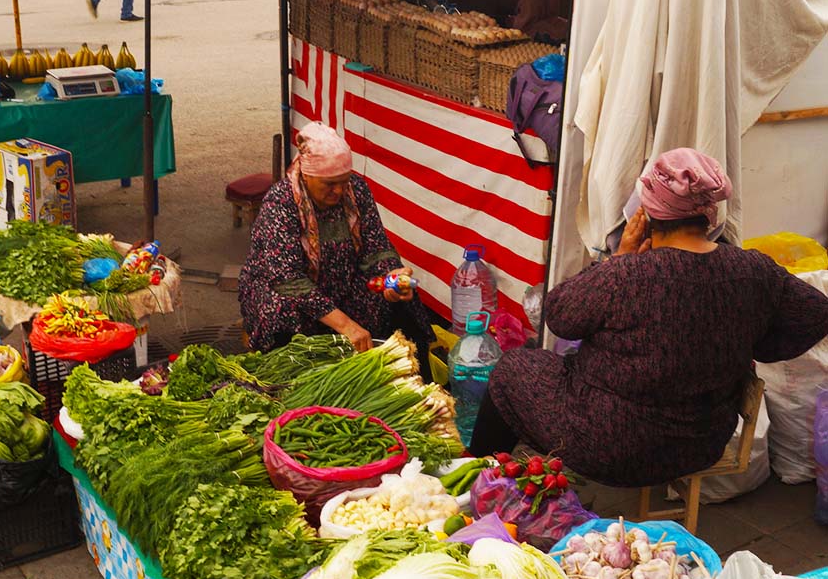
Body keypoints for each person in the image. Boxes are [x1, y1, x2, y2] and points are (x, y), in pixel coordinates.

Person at [471, 148, 828, 487]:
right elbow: (815, 313)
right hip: (699, 443)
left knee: (512, 368)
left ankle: (474, 476)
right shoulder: (753, 270)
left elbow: (560, 316)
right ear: (710, 214)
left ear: (648, 213)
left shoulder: (628, 274)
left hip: (608, 445)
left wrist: (619, 258)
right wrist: (751, 339)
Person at [239, 121, 430, 353]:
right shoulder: (281, 202)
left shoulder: (357, 190)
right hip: (288, 290)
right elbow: (288, 280)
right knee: (281, 309)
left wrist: (392, 275)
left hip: (343, 283)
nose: (339, 191)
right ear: (307, 176)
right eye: (329, 184)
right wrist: (346, 325)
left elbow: (377, 247)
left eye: (344, 181)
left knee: (400, 300)